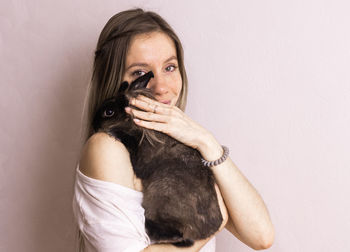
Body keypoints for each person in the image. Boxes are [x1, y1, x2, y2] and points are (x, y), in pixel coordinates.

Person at [72, 8, 274, 252]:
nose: (161, 87)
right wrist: (208, 227)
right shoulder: (107, 147)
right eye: (140, 73)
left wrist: (206, 142)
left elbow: (261, 235)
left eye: (169, 67)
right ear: (117, 81)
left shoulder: (182, 144)